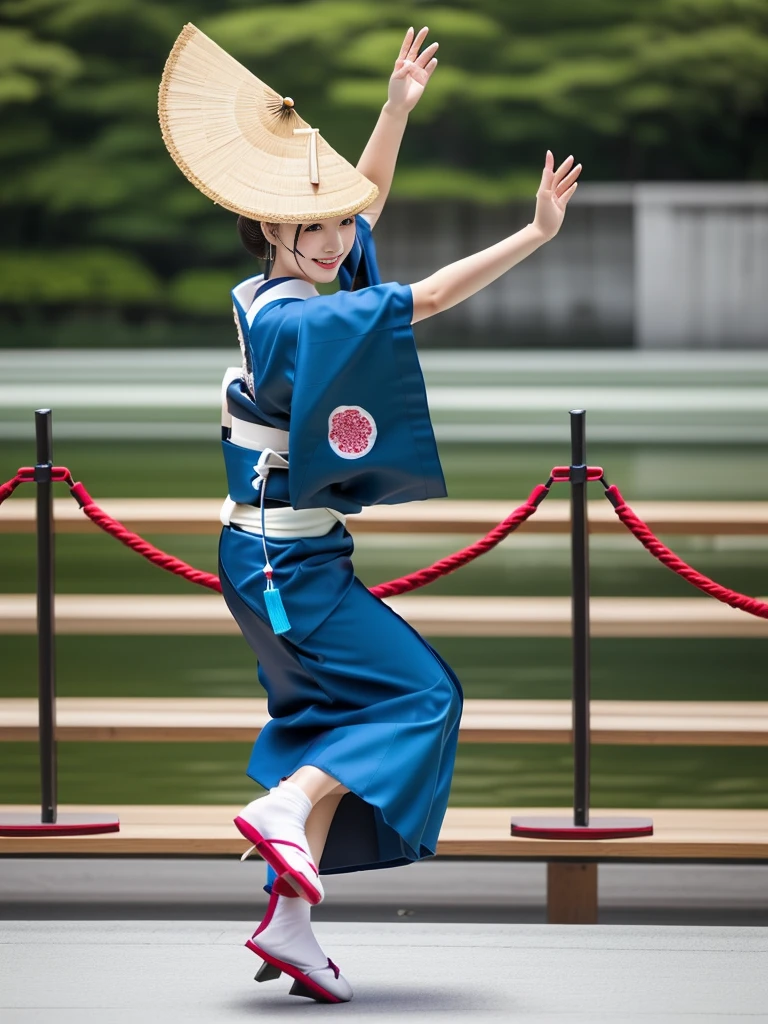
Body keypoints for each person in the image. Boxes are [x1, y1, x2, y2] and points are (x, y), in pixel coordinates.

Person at [159, 23, 581, 1005]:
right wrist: (535, 235)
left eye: (343, 227)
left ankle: (292, 923)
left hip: (268, 557)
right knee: (421, 697)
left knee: (329, 717)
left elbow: (363, 200)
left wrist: (395, 107)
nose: (346, 238)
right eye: (325, 227)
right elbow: (423, 297)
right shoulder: (299, 316)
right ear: (275, 228)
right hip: (285, 568)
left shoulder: (273, 289)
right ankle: (287, 805)